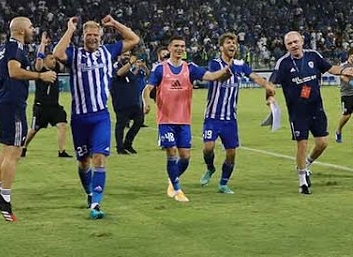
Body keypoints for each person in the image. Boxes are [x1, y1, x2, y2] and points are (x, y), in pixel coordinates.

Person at [52, 15, 140, 219]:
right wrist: (70, 29)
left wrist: (115, 24)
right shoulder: (74, 54)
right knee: (83, 162)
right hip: (80, 118)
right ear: (83, 37)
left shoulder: (108, 51)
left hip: (100, 116)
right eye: (88, 35)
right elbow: (57, 53)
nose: (92, 38)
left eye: (95, 35)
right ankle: (90, 193)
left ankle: (96, 205)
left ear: (101, 36)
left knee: (99, 159)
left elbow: (134, 40)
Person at [267, 31, 353, 194]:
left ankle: (306, 164)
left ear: (302, 41)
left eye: (295, 41)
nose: (293, 45)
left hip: (316, 108)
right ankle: (302, 182)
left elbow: (330, 68)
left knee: (322, 143)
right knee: (302, 144)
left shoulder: (313, 56)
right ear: (286, 46)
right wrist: (271, 97)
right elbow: (271, 83)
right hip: (297, 112)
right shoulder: (284, 63)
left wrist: (344, 71)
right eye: (289, 43)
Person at [143, 36, 231, 203]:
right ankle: (177, 189)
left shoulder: (190, 68)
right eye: (176, 46)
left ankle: (172, 179)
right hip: (166, 120)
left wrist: (225, 71)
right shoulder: (160, 69)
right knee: (171, 152)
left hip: (184, 121)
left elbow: (211, 76)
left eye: (182, 46)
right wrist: (146, 102)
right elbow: (147, 89)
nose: (179, 49)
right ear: (169, 48)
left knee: (185, 157)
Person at [0, 17, 58, 221]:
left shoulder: (3, 49)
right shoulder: (14, 48)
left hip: (4, 103)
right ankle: (5, 199)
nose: (32, 30)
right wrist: (40, 77)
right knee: (15, 151)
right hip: (14, 105)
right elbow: (14, 71)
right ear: (20, 30)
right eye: (30, 27)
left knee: (5, 148)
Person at [199, 32, 276, 193]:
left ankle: (223, 183)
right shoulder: (214, 63)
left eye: (234, 42)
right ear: (221, 47)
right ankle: (210, 168)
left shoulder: (241, 65)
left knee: (231, 153)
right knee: (208, 147)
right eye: (228, 42)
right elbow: (216, 78)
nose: (232, 45)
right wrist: (226, 73)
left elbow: (255, 77)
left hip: (230, 119)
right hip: (212, 116)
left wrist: (267, 85)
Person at [20, 32, 72, 159]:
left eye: (53, 59)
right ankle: (23, 147)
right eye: (51, 59)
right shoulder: (40, 70)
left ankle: (61, 151)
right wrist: (42, 44)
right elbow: (39, 59)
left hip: (54, 106)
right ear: (44, 61)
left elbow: (62, 56)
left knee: (62, 125)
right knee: (33, 130)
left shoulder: (56, 70)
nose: (53, 61)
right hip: (41, 107)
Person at [112, 54, 147, 154]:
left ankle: (128, 143)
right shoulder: (115, 66)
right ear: (119, 56)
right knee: (121, 125)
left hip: (133, 103)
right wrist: (130, 62)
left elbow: (131, 78)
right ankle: (120, 147)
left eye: (128, 55)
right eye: (124, 55)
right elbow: (119, 73)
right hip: (121, 103)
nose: (127, 57)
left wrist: (136, 68)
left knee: (139, 121)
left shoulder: (128, 68)